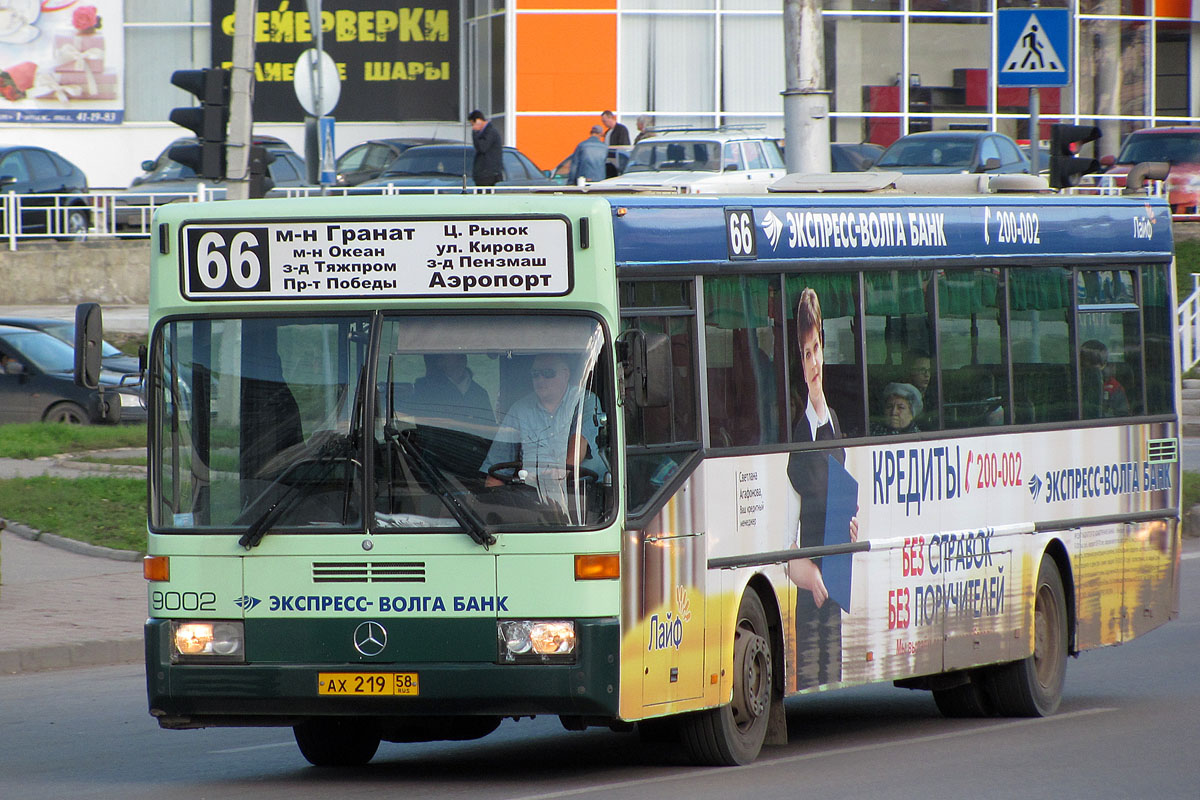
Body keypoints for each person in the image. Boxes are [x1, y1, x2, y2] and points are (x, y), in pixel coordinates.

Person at [786, 287, 858, 690]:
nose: (814, 362)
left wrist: (850, 531)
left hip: (835, 584)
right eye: (805, 354)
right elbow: (784, 544)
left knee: (835, 673)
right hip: (811, 591)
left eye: (817, 349)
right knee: (812, 675)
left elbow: (843, 501)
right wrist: (807, 573)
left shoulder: (834, 422)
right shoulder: (796, 437)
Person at [480, 353, 606, 508]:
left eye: (548, 373)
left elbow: (580, 439)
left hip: (583, 494)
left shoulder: (585, 400)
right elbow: (497, 468)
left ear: (566, 374)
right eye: (535, 374)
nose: (540, 380)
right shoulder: (519, 410)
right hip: (533, 497)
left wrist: (562, 470)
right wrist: (491, 508)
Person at [409, 353, 496, 431]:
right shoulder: (424, 390)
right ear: (439, 361)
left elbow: (489, 431)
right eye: (452, 352)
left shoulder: (480, 393)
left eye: (461, 353)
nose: (459, 355)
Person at [1080, 339, 1130, 418]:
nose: (1090, 371)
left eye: (1095, 364)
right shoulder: (1074, 384)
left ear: (1104, 364)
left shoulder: (1114, 387)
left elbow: (1123, 416)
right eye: (1085, 364)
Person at [468, 109, 503, 187]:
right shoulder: (484, 133)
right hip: (482, 175)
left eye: (473, 124)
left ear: (478, 121)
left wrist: (475, 133)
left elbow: (482, 147)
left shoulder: (490, 132)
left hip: (488, 175)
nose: (473, 127)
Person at [600, 110, 630, 177]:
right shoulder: (607, 132)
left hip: (618, 161)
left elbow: (624, 145)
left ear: (610, 118)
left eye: (604, 121)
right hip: (609, 160)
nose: (604, 123)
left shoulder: (621, 129)